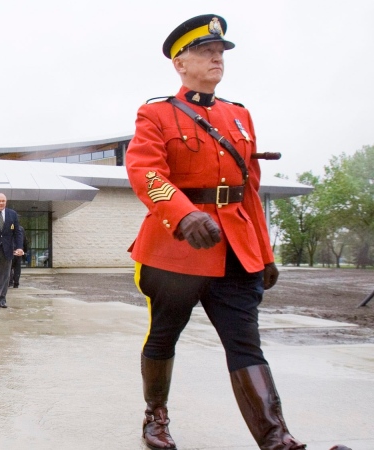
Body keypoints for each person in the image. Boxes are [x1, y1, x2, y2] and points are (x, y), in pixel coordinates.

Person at [125, 14, 351, 450]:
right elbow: (145, 172)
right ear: (180, 63)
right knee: (164, 334)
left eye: (221, 52)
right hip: (176, 251)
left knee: (245, 342)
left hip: (234, 249)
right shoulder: (155, 113)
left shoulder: (239, 116)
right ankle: (155, 418)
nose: (217, 58)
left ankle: (277, 439)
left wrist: (264, 253)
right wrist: (184, 213)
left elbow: (249, 191)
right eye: (206, 51)